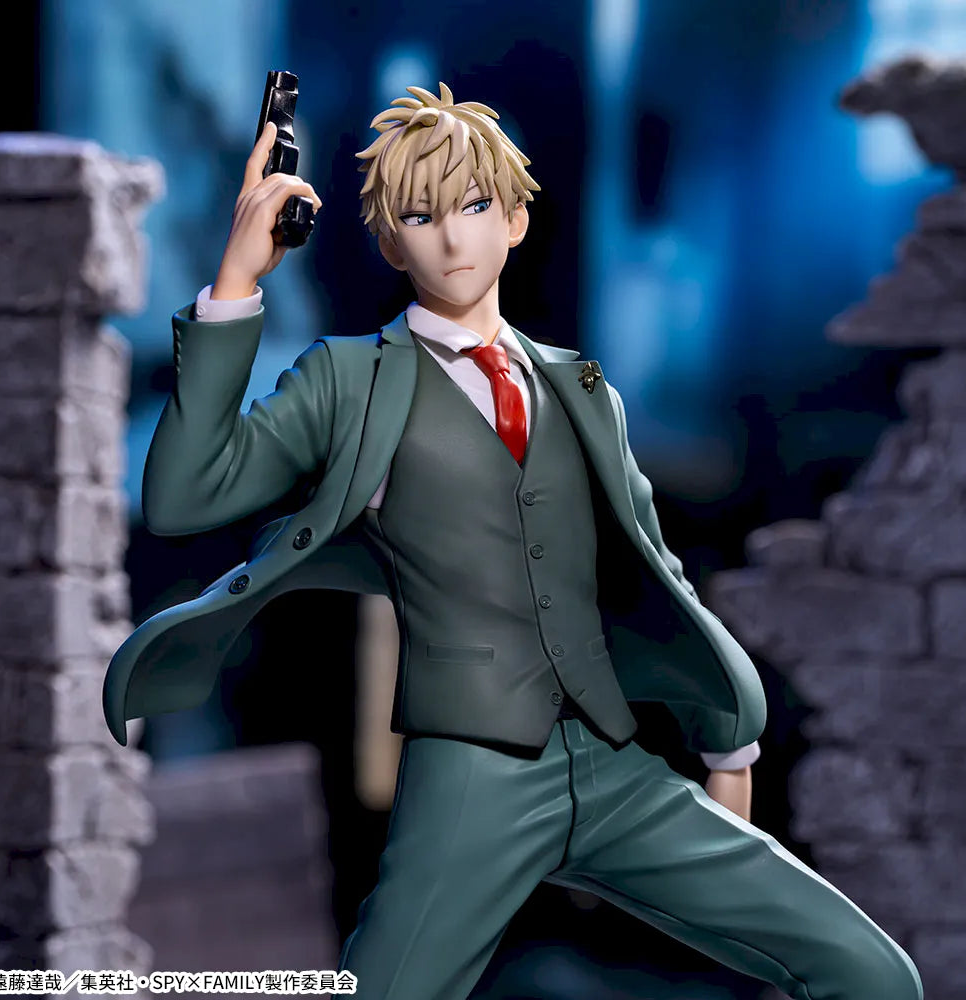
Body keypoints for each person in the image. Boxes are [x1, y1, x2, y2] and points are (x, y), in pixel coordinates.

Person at [103, 83, 923, 1000]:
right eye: (420, 217)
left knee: (873, 973)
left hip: (615, 767)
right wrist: (236, 282)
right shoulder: (350, 379)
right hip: (472, 779)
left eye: (473, 207)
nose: (452, 239)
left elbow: (656, 569)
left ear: (516, 220)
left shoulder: (582, 387)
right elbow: (187, 494)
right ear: (391, 243)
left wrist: (729, 739)